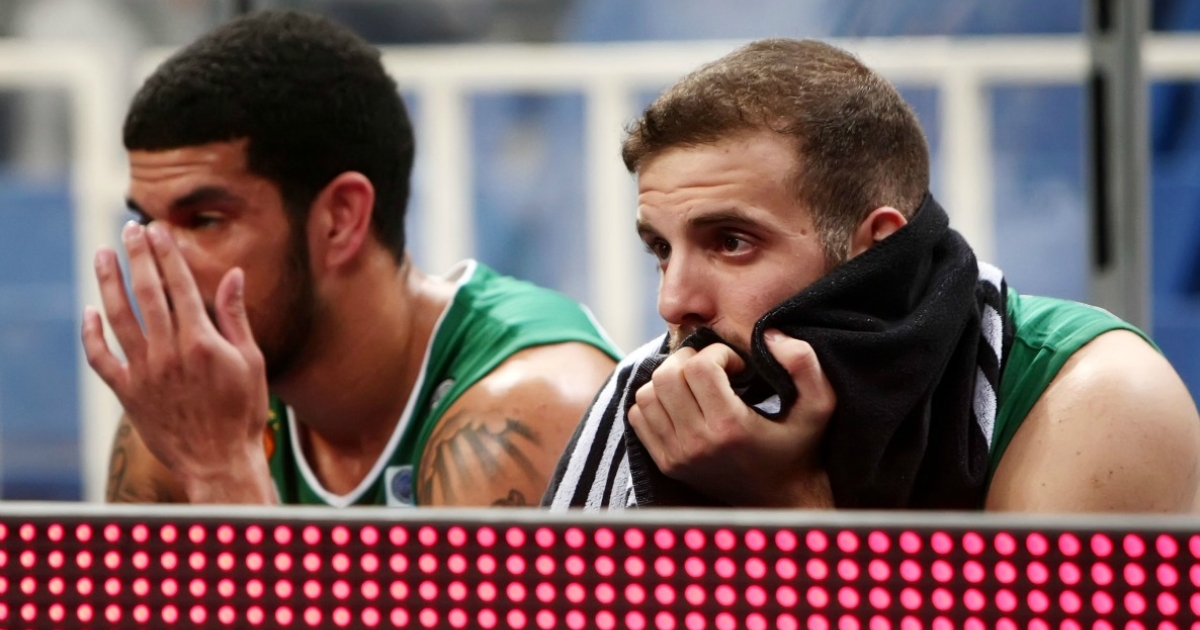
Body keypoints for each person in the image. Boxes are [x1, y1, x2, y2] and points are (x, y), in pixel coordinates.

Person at [544, 38, 1200, 512]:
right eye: (661, 248)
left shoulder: (1096, 398)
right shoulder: (647, 397)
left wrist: (786, 502)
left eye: (732, 242)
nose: (674, 301)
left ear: (876, 249)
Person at [82, 10, 620, 507]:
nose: (156, 265)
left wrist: (221, 473)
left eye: (204, 220)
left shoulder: (520, 410)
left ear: (340, 219)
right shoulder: (192, 410)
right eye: (145, 224)